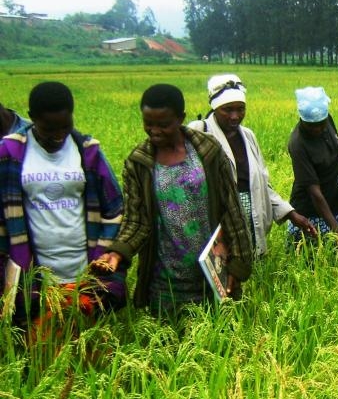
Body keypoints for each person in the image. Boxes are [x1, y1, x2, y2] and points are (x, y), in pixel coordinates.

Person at [94, 84, 253, 315]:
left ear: (181, 118)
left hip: (212, 273)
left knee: (218, 342)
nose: (154, 130)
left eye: (163, 124)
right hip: (165, 281)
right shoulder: (139, 163)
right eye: (148, 123)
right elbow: (137, 220)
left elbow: (231, 209)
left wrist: (238, 265)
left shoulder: (207, 150)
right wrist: (118, 252)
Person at [0, 82, 126, 337]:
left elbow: (113, 207)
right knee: (41, 352)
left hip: (83, 268)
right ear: (32, 118)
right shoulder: (10, 152)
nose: (58, 135)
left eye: (65, 126)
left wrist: (104, 253)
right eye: (49, 128)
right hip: (36, 274)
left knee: (86, 350)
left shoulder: (87, 151)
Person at [188, 74, 316, 257]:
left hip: (251, 216)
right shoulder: (200, 133)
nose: (235, 116)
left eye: (240, 109)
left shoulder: (248, 136)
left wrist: (291, 214)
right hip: (217, 223)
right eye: (227, 110)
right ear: (214, 108)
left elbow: (264, 184)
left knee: (251, 267)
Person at [287, 86, 338, 252]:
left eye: (321, 124)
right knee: (314, 258)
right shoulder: (298, 145)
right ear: (302, 118)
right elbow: (314, 193)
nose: (317, 129)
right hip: (312, 210)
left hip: (335, 201)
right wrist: (337, 231)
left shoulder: (328, 121)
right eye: (311, 125)